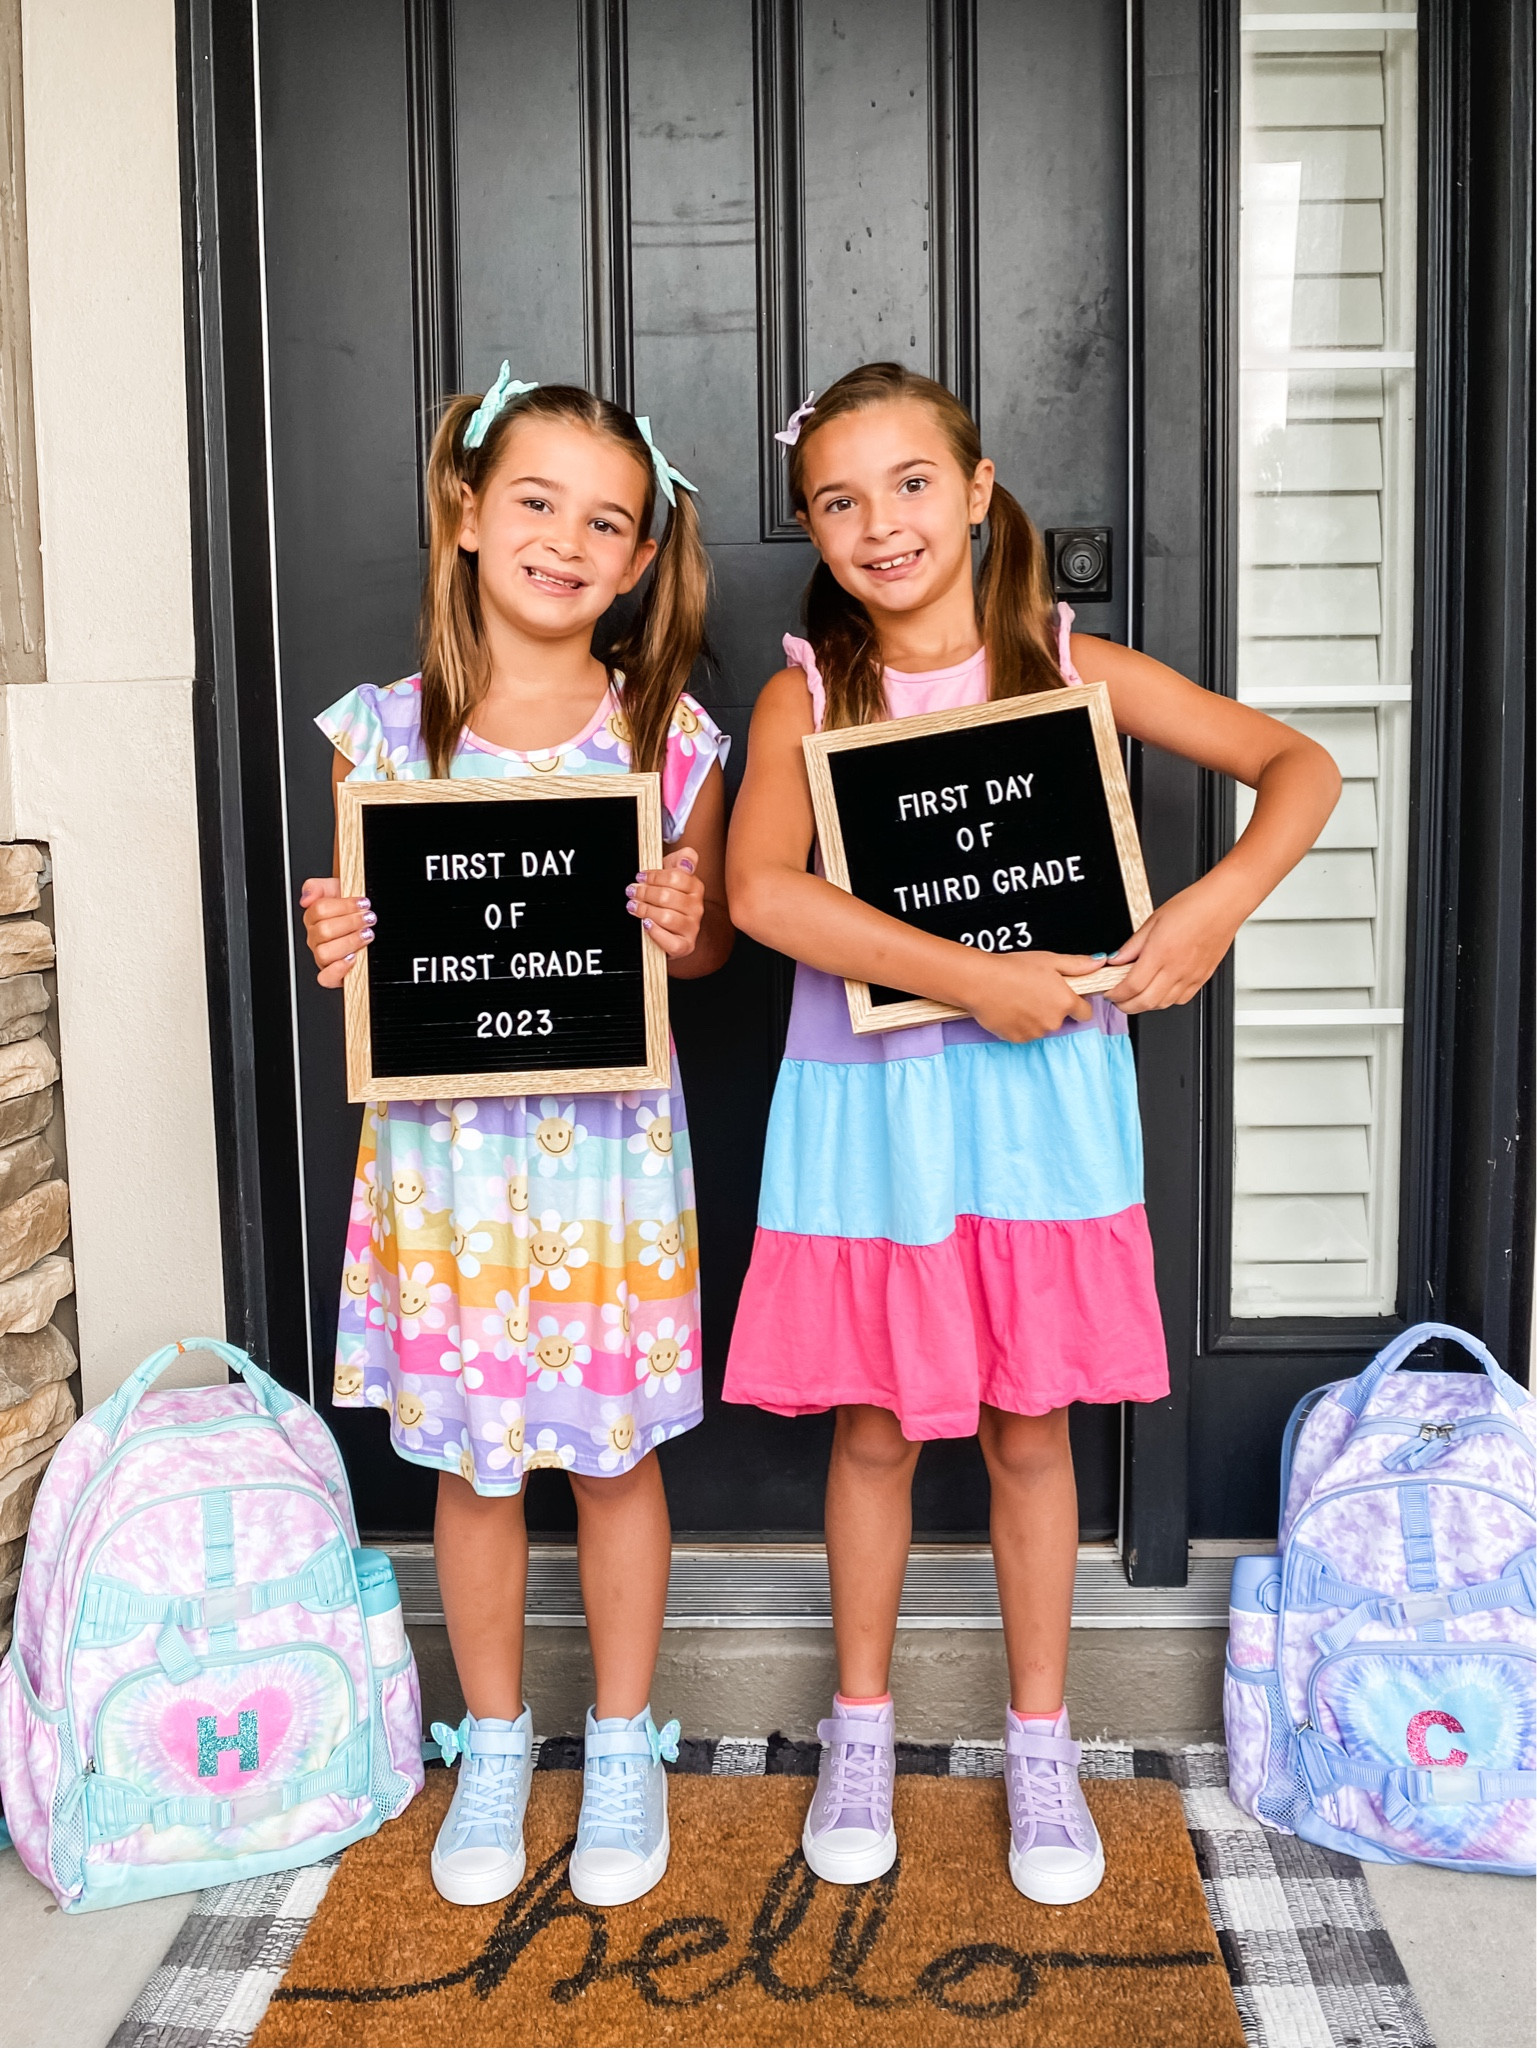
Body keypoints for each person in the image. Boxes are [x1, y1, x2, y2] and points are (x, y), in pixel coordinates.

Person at [723, 361, 1339, 1904]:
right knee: (874, 1424)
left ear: (978, 489)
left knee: (1030, 1423)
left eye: (910, 483)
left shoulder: (1071, 668)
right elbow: (759, 892)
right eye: (837, 500)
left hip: (1037, 1112)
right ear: (809, 525)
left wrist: (1209, 906)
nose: (880, 523)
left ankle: (1041, 1742)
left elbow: (1300, 766)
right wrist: (966, 976)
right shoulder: (807, 693)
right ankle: (860, 1728)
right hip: (875, 1111)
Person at [300, 368, 731, 1911]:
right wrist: (338, 938)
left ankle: (620, 1739)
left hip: (605, 1173)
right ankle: (491, 1736)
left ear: (638, 560)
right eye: (536, 502)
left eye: (605, 521)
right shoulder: (382, 735)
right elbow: (367, 964)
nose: (565, 539)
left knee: (614, 1461)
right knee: (470, 1472)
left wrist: (682, 921)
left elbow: (702, 954)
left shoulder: (670, 738)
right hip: (451, 1172)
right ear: (469, 513)